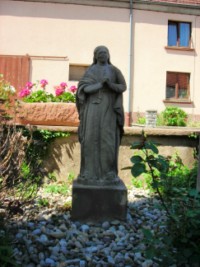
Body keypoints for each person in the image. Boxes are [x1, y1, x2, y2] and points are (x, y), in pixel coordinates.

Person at [76, 45, 126, 185]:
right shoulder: (90, 70)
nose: (102, 55)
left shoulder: (114, 70)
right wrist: (99, 85)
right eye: (99, 53)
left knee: (107, 139)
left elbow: (123, 86)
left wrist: (110, 85)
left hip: (109, 108)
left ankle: (108, 173)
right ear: (95, 56)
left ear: (108, 55)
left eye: (105, 52)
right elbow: (83, 88)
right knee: (90, 138)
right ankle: (89, 172)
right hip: (92, 108)